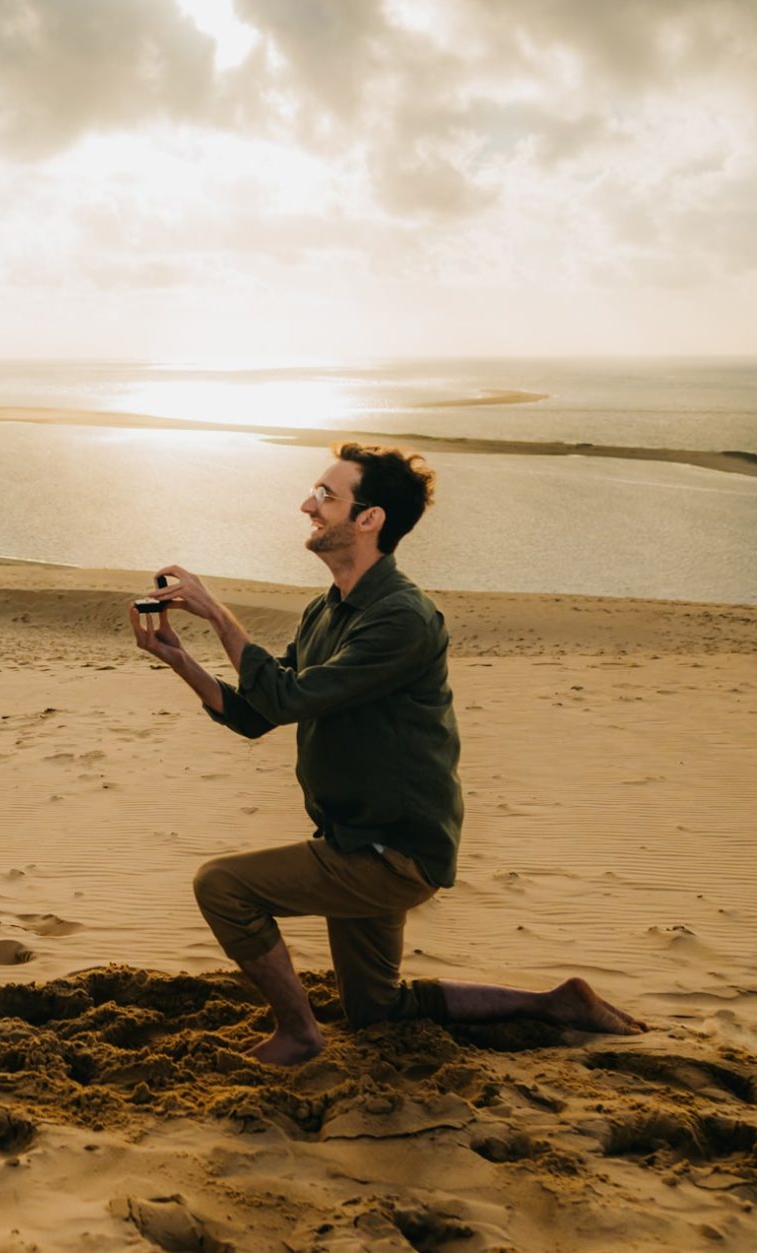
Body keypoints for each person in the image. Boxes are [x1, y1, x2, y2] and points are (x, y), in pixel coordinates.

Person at [128, 441, 645, 1065]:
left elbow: (288, 697)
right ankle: (557, 1003)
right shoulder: (328, 610)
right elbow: (257, 714)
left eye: (325, 496)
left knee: (223, 887)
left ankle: (298, 1033)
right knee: (376, 1010)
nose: (307, 506)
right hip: (353, 838)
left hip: (393, 853)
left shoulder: (402, 619)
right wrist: (182, 660)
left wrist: (215, 612)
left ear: (369, 519)